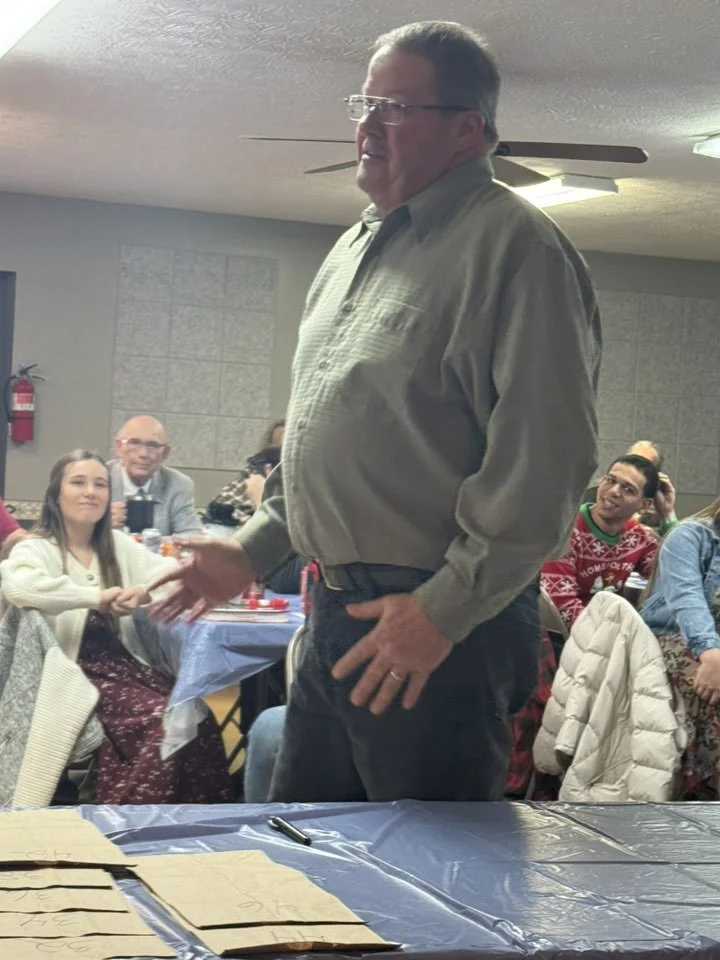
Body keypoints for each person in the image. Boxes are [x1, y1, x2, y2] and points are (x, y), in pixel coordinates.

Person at [151, 21, 601, 803]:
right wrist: (253, 550)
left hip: (434, 626)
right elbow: (333, 439)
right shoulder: (354, 246)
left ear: (468, 128)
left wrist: (443, 611)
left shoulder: (518, 250)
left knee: (428, 895)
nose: (364, 127)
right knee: (311, 859)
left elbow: (546, 463)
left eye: (393, 107)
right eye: (364, 103)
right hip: (334, 612)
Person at [0, 450, 231, 804]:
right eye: (78, 482)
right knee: (159, 722)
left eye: (100, 484)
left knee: (194, 718)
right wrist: (96, 597)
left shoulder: (118, 546)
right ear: (56, 494)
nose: (90, 492)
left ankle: (193, 827)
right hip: (72, 673)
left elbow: (171, 574)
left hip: (125, 668)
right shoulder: (37, 548)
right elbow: (19, 587)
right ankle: (128, 825)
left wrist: (142, 592)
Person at [507, 453, 675, 797]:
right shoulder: (567, 528)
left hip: (605, 645)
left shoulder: (640, 538)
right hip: (558, 640)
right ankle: (525, 790)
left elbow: (669, 579)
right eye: (610, 480)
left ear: (642, 503)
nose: (611, 491)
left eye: (626, 489)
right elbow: (564, 606)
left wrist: (668, 517)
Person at [642, 500, 720, 798]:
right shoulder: (688, 536)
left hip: (712, 647)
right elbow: (688, 600)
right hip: (671, 638)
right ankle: (699, 794)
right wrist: (710, 652)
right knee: (708, 686)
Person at [108, 416, 202, 536]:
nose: (143, 454)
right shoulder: (100, 479)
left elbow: (191, 536)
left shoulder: (179, 485)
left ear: (165, 453)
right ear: (119, 447)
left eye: (152, 445)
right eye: (134, 443)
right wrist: (101, 525)